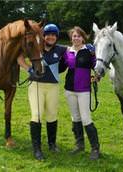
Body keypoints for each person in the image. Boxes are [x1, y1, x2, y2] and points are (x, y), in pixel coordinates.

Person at [17, 23, 67, 160]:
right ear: (43, 36)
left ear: (56, 37)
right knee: (37, 115)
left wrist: (90, 49)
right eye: (48, 35)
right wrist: (29, 69)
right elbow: (19, 58)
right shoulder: (35, 47)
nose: (50, 37)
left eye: (53, 35)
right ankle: (37, 149)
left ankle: (52, 144)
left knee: (52, 115)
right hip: (36, 86)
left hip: (53, 87)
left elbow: (75, 50)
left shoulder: (62, 49)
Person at [61, 26, 100, 160]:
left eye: (78, 36)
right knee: (75, 118)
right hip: (69, 90)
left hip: (83, 90)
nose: (76, 38)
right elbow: (61, 67)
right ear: (71, 38)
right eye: (73, 36)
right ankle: (79, 145)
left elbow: (96, 66)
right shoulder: (67, 52)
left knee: (86, 119)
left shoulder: (89, 51)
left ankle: (95, 148)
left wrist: (98, 76)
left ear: (83, 38)